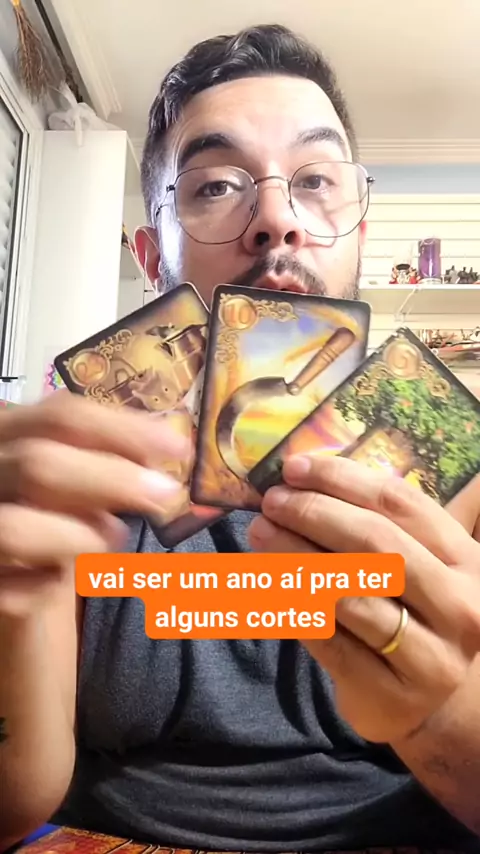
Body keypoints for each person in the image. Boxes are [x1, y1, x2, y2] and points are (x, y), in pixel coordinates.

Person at [1, 22, 480, 854]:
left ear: (360, 233)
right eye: (217, 185)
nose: (276, 219)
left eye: (316, 180)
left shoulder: (460, 470)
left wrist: (447, 712)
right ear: (152, 255)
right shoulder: (71, 473)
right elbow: (15, 802)